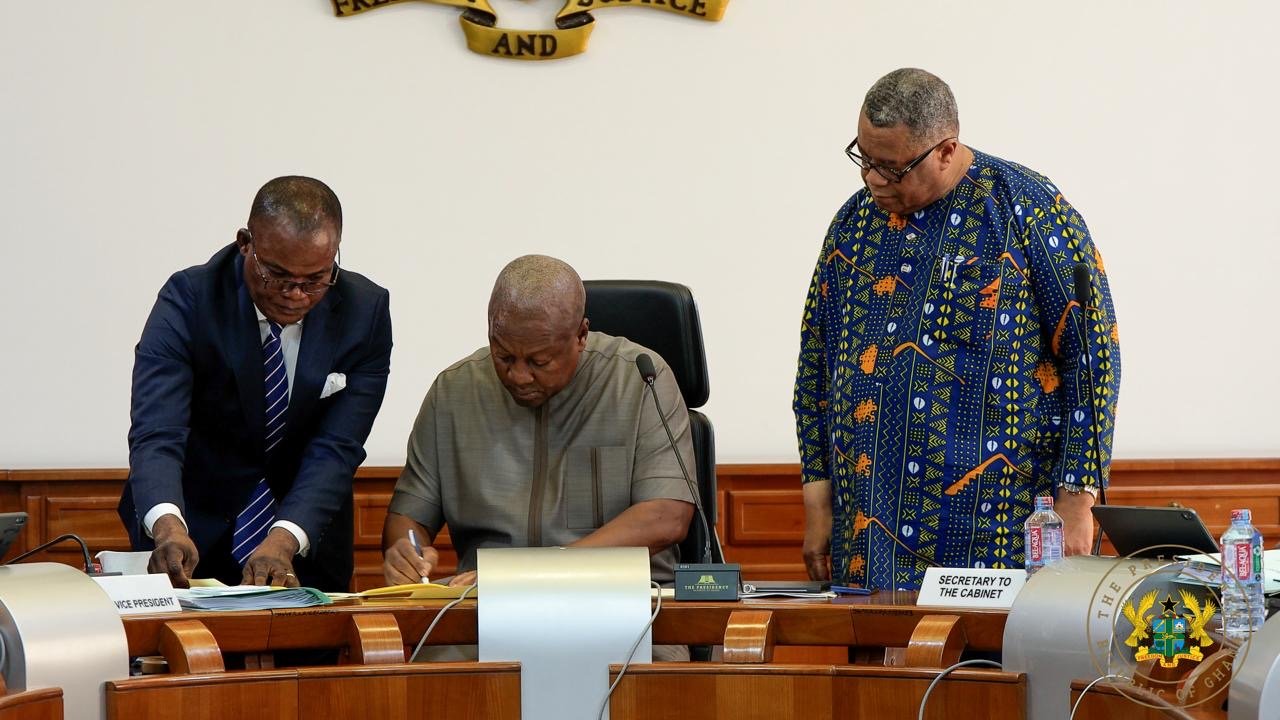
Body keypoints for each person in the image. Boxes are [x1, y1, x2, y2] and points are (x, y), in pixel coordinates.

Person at [793, 69, 1121, 591]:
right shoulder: (852, 226)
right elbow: (816, 366)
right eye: (865, 159)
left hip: (998, 534)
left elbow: (1093, 358)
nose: (873, 180)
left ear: (945, 149)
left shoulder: (1028, 210)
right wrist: (818, 503)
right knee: (878, 673)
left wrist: (1078, 500)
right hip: (868, 536)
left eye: (892, 167)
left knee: (994, 673)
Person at [120, 175, 392, 592]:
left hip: (303, 543)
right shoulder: (189, 299)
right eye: (278, 276)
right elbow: (158, 431)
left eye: (316, 279)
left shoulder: (364, 312)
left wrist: (284, 540)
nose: (295, 295)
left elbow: (336, 449)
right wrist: (168, 525)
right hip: (186, 543)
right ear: (246, 242)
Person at [381, 254, 695, 591]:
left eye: (538, 361)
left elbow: (667, 517)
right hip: (481, 611)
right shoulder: (454, 391)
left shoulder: (638, 380)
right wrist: (406, 552)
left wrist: (534, 573)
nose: (518, 375)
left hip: (621, 601)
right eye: (503, 356)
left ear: (581, 335)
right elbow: (409, 516)